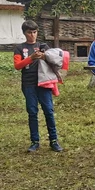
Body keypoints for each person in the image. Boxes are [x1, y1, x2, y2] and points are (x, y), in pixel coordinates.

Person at [13, 20, 62, 153]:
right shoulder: (19, 48)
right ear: (24, 33)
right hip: (28, 83)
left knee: (49, 111)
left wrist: (44, 56)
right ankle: (35, 141)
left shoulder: (43, 46)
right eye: (30, 32)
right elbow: (17, 66)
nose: (32, 35)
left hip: (44, 82)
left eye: (35, 32)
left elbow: (55, 61)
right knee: (32, 112)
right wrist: (31, 58)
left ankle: (54, 140)